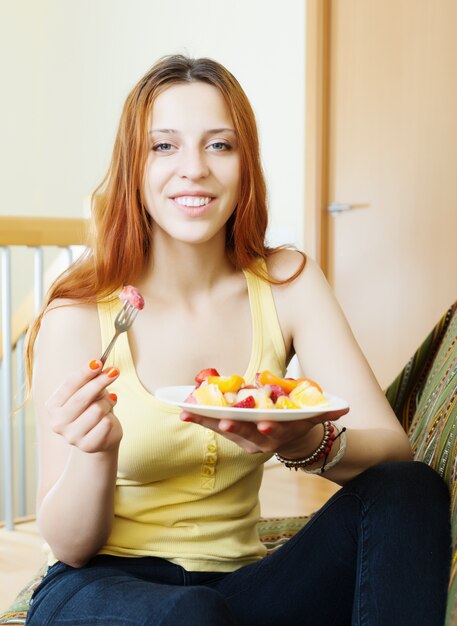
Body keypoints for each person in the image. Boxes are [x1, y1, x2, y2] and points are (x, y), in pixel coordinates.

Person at [24, 55, 450, 626]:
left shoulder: (285, 283)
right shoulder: (78, 312)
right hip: (102, 584)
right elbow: (70, 547)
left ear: (245, 163)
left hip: (243, 590)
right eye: (165, 146)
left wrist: (302, 440)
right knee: (190, 615)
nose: (194, 169)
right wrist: (95, 455)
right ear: (133, 166)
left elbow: (391, 449)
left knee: (410, 489)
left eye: (219, 145)